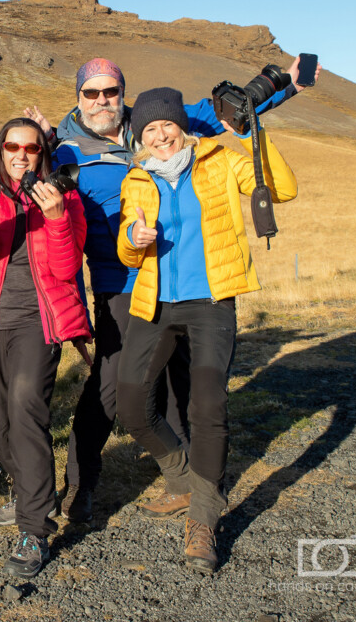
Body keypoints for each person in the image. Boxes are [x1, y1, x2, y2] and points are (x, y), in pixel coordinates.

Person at [25, 56, 317, 523]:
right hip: (121, 280)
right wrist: (39, 140)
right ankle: (82, 483)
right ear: (78, 97)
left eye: (111, 92)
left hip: (183, 280)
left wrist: (285, 85)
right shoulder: (64, 148)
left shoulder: (152, 122)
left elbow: (229, 108)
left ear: (124, 94)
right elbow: (28, 176)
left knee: (185, 382)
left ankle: (187, 483)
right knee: (111, 386)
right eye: (91, 93)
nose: (102, 102)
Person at [114, 87, 298, 573]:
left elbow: (282, 189)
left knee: (208, 405)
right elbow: (126, 251)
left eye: (166, 126)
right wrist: (134, 239)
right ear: (140, 136)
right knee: (130, 403)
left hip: (211, 302)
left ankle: (203, 516)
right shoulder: (136, 179)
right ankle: (182, 477)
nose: (159, 136)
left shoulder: (218, 160)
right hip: (153, 303)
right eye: (149, 129)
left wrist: (255, 138)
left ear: (182, 126)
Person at [0, 118, 91, 579]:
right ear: (0, 152)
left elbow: (68, 268)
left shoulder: (64, 197)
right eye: (12, 146)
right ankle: (34, 490)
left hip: (39, 321)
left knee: (26, 407)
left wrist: (55, 219)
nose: (21, 154)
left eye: (31, 148)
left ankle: (34, 526)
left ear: (42, 154)